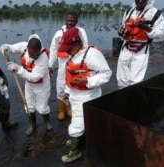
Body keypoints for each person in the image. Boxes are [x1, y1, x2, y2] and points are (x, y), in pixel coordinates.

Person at [57, 27, 112, 163]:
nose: (66, 51)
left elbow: (106, 74)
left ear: (77, 44)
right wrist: (67, 92)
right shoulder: (73, 54)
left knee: (77, 124)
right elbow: (70, 75)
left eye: (68, 48)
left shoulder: (92, 54)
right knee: (78, 118)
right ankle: (80, 140)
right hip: (75, 94)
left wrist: (88, 80)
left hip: (89, 96)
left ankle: (75, 152)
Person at [0, 34, 53, 136]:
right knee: (29, 105)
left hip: (42, 85)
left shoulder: (44, 58)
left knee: (42, 107)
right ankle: (33, 124)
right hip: (29, 84)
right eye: (32, 53)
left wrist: (19, 69)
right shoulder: (24, 46)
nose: (34, 56)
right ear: (27, 48)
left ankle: (47, 121)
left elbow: (35, 77)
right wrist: (5, 47)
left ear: (40, 50)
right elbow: (12, 48)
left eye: (36, 54)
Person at [49, 11, 89, 121]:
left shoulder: (81, 32)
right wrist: (50, 65)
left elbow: (85, 47)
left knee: (74, 85)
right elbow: (53, 50)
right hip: (62, 65)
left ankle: (69, 107)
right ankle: (62, 109)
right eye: (68, 20)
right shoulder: (58, 34)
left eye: (72, 21)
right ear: (65, 20)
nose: (70, 22)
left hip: (75, 64)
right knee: (61, 86)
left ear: (76, 21)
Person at [116, 0, 164, 89]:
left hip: (141, 49)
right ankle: (122, 97)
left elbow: (160, 34)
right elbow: (123, 26)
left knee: (136, 79)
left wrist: (147, 29)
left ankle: (134, 99)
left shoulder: (155, 13)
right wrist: (121, 32)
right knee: (121, 78)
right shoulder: (128, 11)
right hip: (125, 47)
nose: (140, 1)